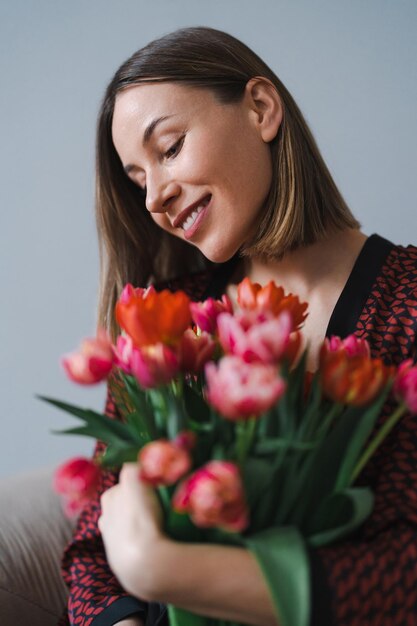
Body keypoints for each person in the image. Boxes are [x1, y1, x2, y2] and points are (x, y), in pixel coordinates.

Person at [58, 26, 417, 626]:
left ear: (261, 109)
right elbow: (92, 549)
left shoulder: (407, 302)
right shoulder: (166, 323)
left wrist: (163, 570)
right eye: (138, 179)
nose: (153, 200)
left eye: (169, 148)